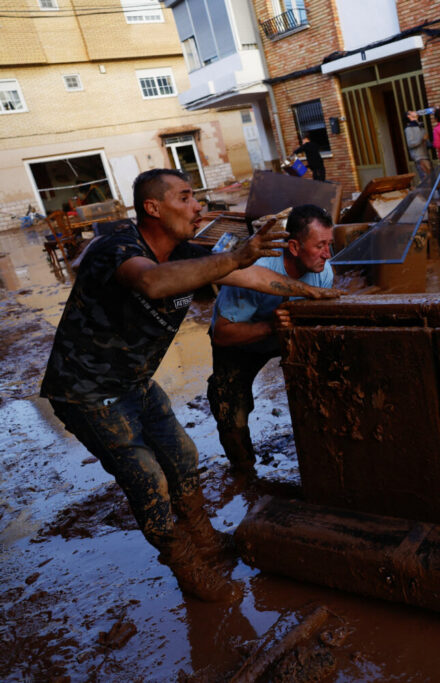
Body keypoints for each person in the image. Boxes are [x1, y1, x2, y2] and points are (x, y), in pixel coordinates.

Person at [39, 169, 340, 603]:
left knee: (183, 456)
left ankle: (206, 540)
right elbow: (152, 282)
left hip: (135, 382)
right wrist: (234, 258)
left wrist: (306, 293)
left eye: (196, 197)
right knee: (148, 482)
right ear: (153, 208)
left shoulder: (184, 250)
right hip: (87, 393)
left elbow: (252, 277)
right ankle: (188, 570)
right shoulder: (117, 248)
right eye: (185, 197)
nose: (198, 206)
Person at [207, 204, 335, 476]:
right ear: (294, 247)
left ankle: (319, 453)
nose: (327, 253)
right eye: (320, 245)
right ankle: (244, 471)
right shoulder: (258, 267)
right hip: (242, 339)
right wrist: (270, 327)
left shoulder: (324, 271)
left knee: (323, 380)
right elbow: (222, 334)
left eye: (329, 244)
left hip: (285, 334)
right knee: (230, 405)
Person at [404, 110, 433, 184]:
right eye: (411, 111)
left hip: (426, 156)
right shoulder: (408, 129)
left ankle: (432, 195)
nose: (415, 111)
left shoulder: (421, 127)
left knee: (431, 179)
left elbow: (427, 144)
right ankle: (428, 195)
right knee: (426, 180)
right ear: (409, 116)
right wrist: (422, 139)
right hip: (419, 157)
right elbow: (410, 144)